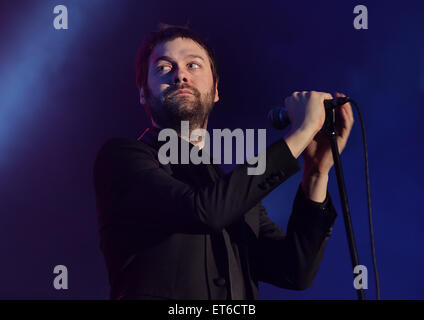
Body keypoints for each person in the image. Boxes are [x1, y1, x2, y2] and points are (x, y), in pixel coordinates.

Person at [93, 24, 354, 300]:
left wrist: (315, 173)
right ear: (143, 93)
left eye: (193, 65)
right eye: (164, 68)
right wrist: (301, 132)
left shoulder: (233, 192)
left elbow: (294, 271)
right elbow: (203, 210)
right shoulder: (122, 158)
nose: (180, 75)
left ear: (216, 90)